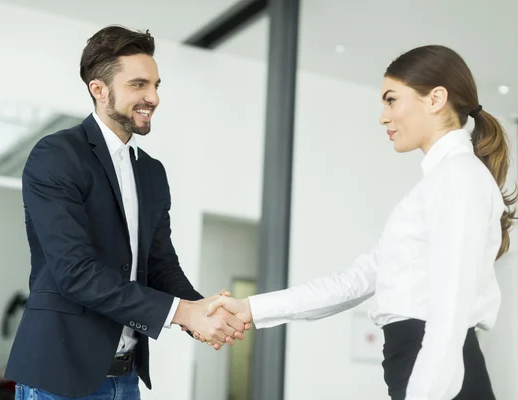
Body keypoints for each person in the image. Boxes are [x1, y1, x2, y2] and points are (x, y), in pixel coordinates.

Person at [203, 45, 517, 400]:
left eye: (391, 100)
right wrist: (250, 308)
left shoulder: (458, 177)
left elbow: (452, 308)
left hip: (436, 375)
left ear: (436, 99)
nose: (383, 117)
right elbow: (352, 283)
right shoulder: (436, 184)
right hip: (417, 367)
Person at [4, 25, 249, 400]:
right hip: (58, 379)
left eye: (156, 85)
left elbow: (161, 264)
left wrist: (202, 310)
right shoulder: (56, 156)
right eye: (139, 85)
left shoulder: (151, 171)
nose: (153, 97)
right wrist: (183, 313)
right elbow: (76, 273)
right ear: (98, 90)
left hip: (125, 378)